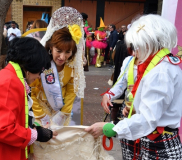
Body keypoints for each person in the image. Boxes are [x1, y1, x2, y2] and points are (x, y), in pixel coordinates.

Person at [86, 14, 182, 159]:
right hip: (146, 135)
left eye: (138, 44)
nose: (135, 50)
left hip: (157, 141)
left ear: (149, 42)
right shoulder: (160, 65)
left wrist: (111, 128)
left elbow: (148, 118)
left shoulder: (160, 71)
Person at [31, 7, 85, 126]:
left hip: (61, 110)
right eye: (59, 51)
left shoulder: (71, 66)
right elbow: (31, 92)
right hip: (40, 108)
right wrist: (41, 115)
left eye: (68, 52)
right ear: (51, 47)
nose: (62, 57)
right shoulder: (40, 64)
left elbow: (71, 91)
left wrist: (63, 114)